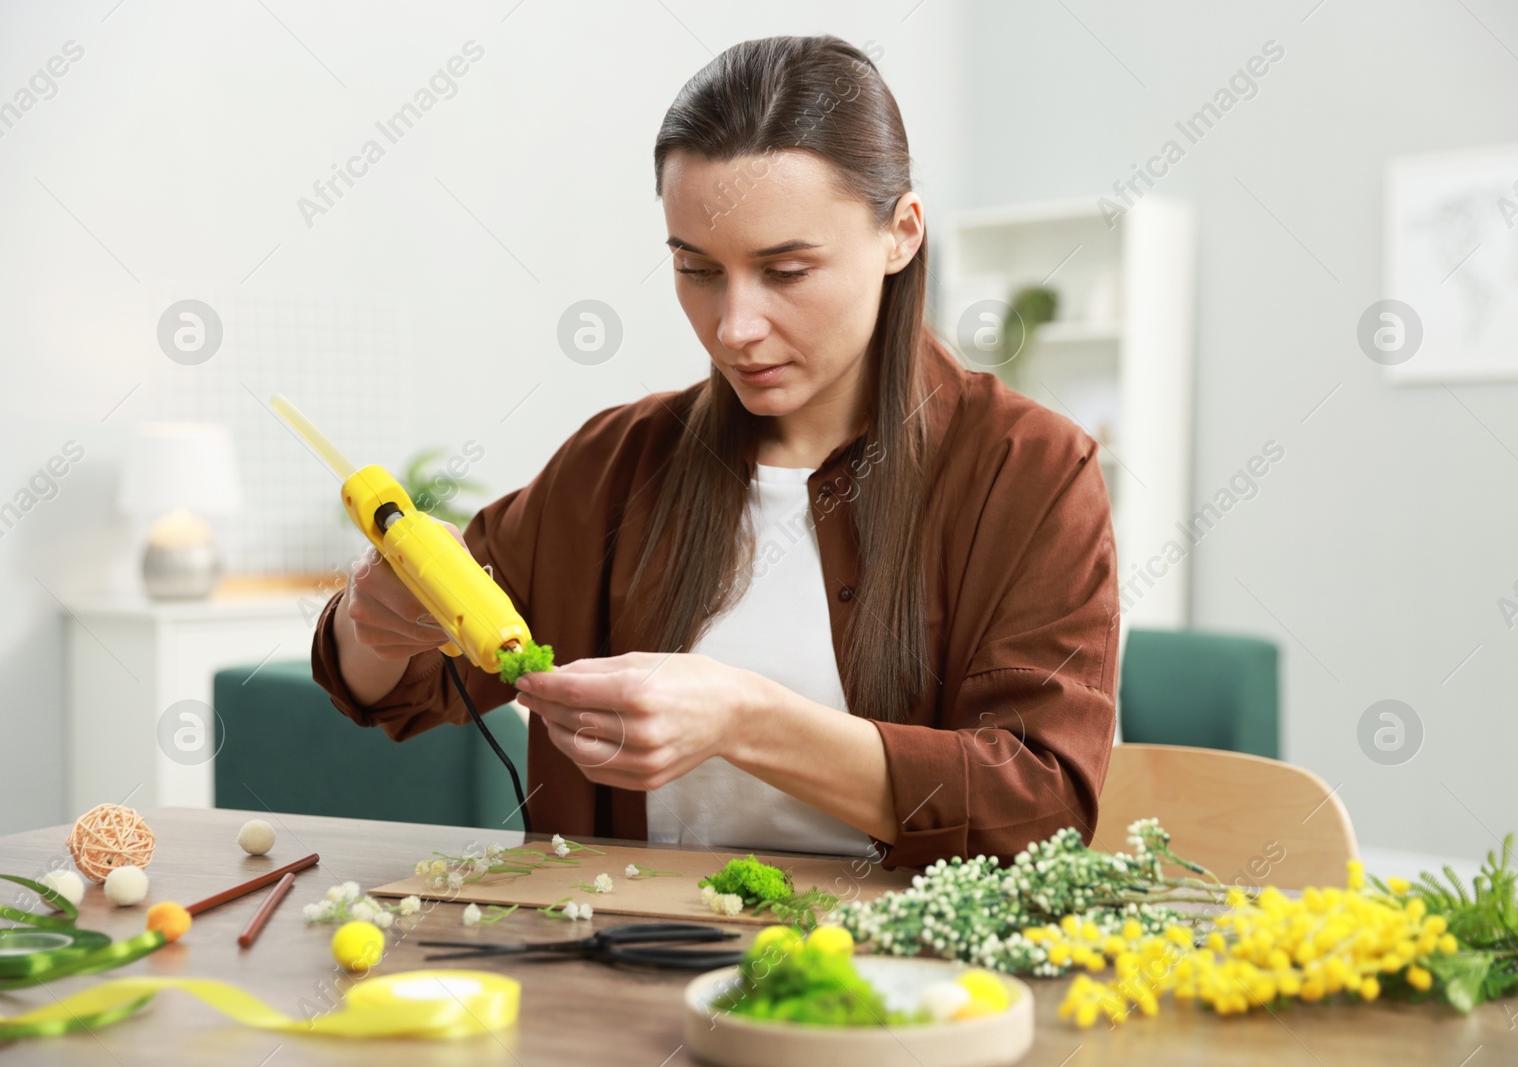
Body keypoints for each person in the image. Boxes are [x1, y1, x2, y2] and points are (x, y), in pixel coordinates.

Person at [312, 34, 1119, 872]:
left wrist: (746, 719)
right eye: (697, 269)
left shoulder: (1029, 471)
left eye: (787, 271)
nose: (734, 327)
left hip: (897, 988)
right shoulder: (612, 464)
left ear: (902, 234)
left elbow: (1040, 809)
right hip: (607, 979)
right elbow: (394, 691)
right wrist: (373, 619)